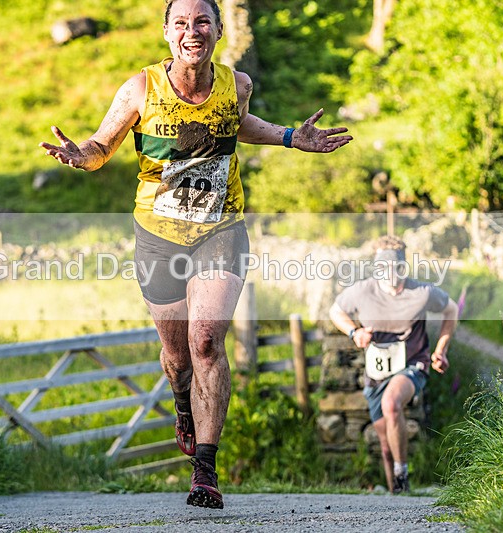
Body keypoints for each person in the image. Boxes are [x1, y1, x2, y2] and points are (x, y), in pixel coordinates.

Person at [40, 0, 352, 509]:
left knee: (206, 340)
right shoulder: (141, 88)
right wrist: (83, 155)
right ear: (167, 34)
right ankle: (182, 401)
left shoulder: (238, 85)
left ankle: (204, 469)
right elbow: (102, 144)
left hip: (220, 230)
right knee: (178, 356)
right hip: (157, 236)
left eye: (202, 22)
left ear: (218, 30)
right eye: (181, 24)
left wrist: (292, 137)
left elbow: (237, 125)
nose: (192, 31)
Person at [328, 236, 457, 494]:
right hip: (377, 371)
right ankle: (397, 494)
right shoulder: (363, 291)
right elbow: (335, 311)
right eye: (382, 267)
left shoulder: (421, 293)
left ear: (403, 267)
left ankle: (401, 472)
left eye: (395, 267)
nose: (389, 273)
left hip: (412, 364)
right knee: (385, 443)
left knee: (391, 403)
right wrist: (355, 333)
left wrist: (440, 350)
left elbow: (451, 309)